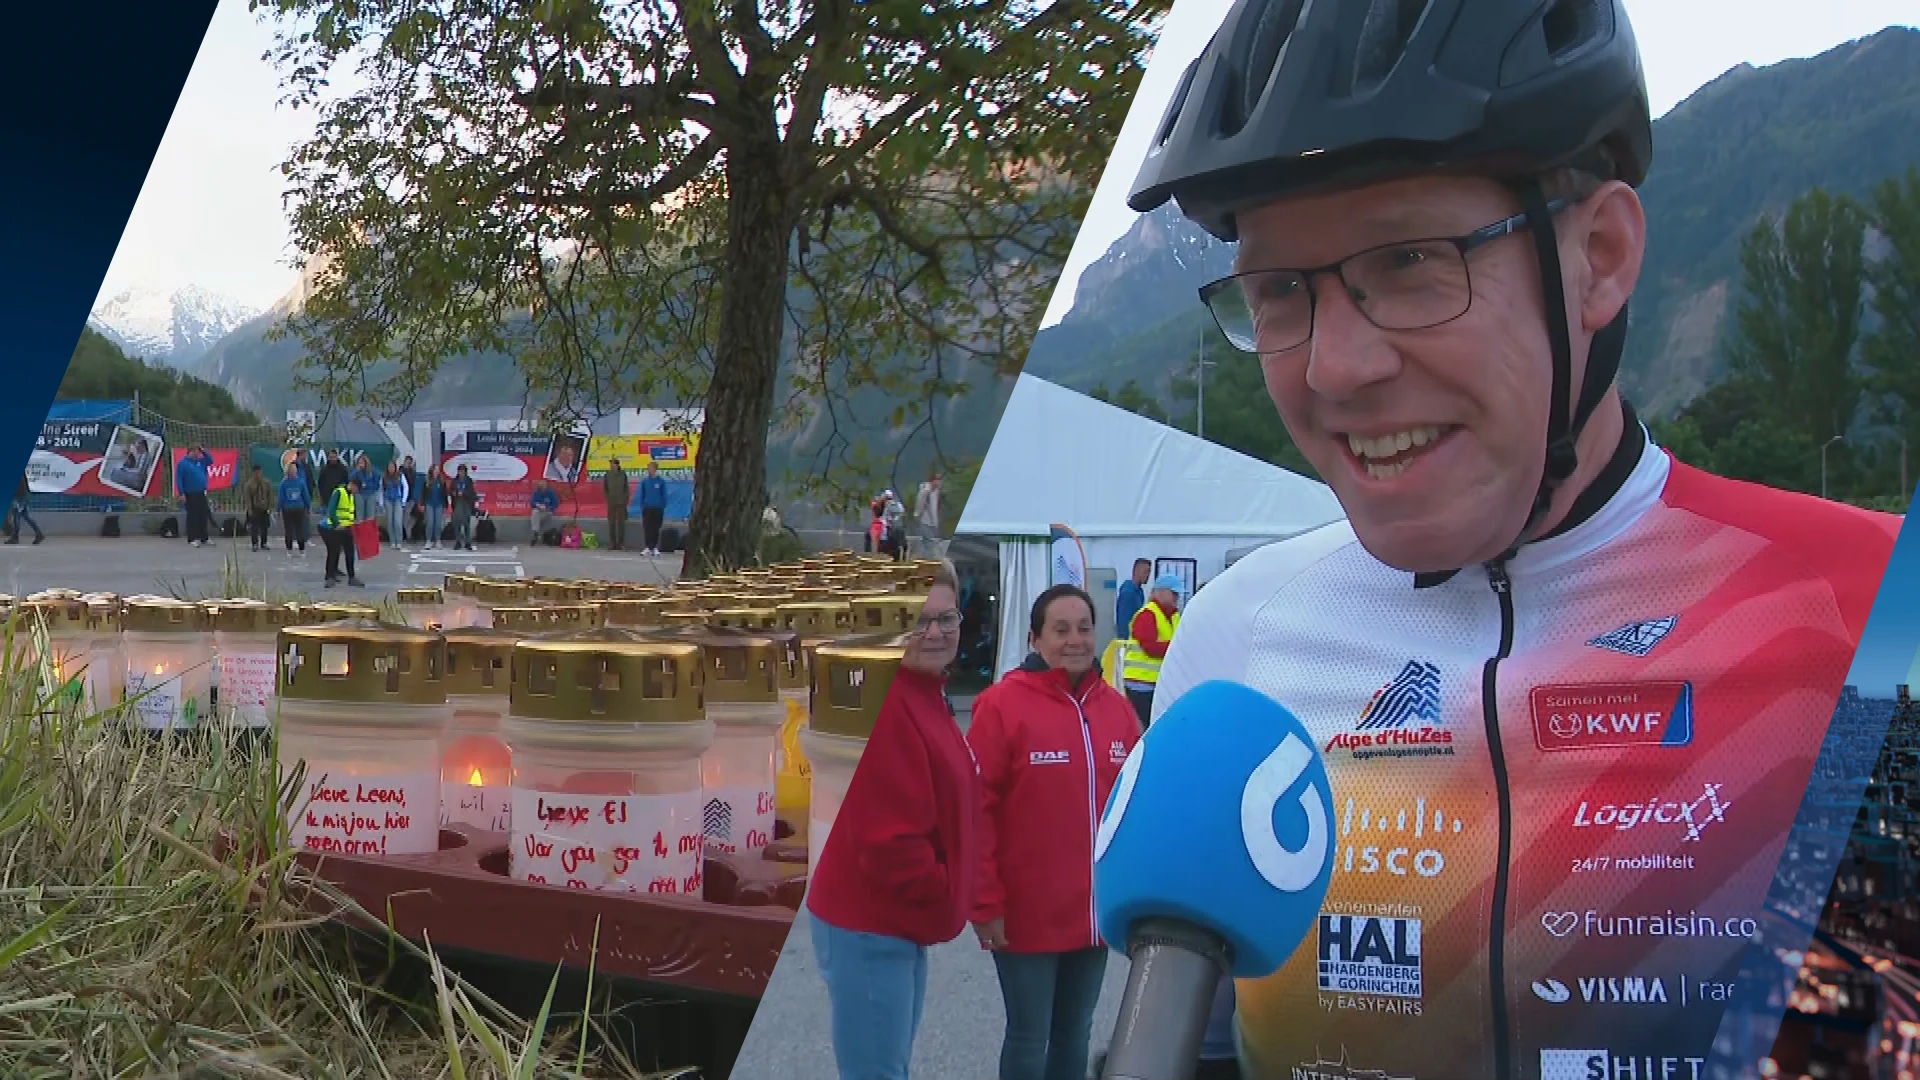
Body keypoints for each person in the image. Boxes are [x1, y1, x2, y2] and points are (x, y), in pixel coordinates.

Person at [1130, 2, 1903, 1077]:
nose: (1333, 366)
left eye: (1406, 261)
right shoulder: (1232, 648)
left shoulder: (1874, 618)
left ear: (1600, 256)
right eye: (1279, 292)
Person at [805, 562, 978, 1080]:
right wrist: (946, 891)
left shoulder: (924, 693)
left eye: (946, 619)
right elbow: (890, 841)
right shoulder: (891, 704)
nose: (934, 634)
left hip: (892, 924)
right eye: (917, 622)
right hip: (872, 924)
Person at [967, 584, 1140, 1080]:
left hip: (1093, 912)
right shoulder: (1000, 706)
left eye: (1084, 628)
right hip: (1026, 913)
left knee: (1076, 1034)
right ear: (1035, 639)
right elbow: (974, 809)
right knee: (1028, 1035)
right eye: (1060, 630)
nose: (1075, 641)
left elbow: (1134, 805)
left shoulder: (1117, 710)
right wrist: (984, 902)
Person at [1120, 574, 1181, 730]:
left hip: (1158, 683)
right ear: (1159, 592)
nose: (1177, 597)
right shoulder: (1147, 615)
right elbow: (1150, 647)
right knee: (1146, 728)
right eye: (1173, 593)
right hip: (1140, 683)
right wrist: (1176, 647)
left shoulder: (1174, 616)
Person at [318, 476, 365, 588]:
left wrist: (354, 521)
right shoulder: (339, 492)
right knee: (334, 552)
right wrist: (336, 524)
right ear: (352, 485)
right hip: (336, 528)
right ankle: (330, 577)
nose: (356, 492)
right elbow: (331, 510)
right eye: (356, 489)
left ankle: (352, 577)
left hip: (348, 528)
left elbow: (350, 512)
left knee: (350, 553)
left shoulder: (351, 496)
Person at [175, 444, 215, 548]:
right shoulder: (183, 463)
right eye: (195, 451)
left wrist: (203, 450)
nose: (197, 454)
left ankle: (204, 537)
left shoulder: (200, 461)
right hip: (190, 493)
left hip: (201, 492)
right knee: (193, 516)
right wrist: (181, 493)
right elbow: (179, 479)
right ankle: (192, 538)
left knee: (203, 515)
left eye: (198, 451)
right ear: (190, 452)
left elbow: (210, 460)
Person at [278, 461, 311, 555]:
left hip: (287, 509)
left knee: (289, 529)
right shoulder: (301, 482)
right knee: (299, 528)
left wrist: (278, 508)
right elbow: (306, 496)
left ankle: (289, 549)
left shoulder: (284, 483)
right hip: (299, 508)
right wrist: (308, 507)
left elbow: (281, 497)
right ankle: (302, 549)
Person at [1114, 559, 1149, 641]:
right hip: (1128, 640)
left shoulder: (1139, 592)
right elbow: (1123, 620)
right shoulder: (1128, 592)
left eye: (1149, 572)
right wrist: (1124, 642)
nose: (1148, 575)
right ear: (1136, 571)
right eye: (1145, 571)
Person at [637, 461, 668, 556]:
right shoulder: (645, 481)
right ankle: (648, 547)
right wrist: (643, 505)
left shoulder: (661, 481)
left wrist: (662, 505)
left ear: (655, 469)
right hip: (647, 508)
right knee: (647, 528)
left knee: (656, 528)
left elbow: (664, 494)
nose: (650, 470)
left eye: (651, 468)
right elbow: (642, 494)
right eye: (648, 468)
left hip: (658, 508)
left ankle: (654, 547)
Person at [242, 465, 275, 551]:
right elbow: (247, 498)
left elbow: (270, 495)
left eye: (259, 472)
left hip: (264, 508)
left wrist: (270, 507)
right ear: (253, 473)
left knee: (265, 527)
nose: (258, 474)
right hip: (254, 508)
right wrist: (249, 510)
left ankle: (263, 543)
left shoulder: (266, 483)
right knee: (254, 527)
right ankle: (255, 543)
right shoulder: (249, 485)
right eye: (256, 472)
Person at [603, 458, 632, 551]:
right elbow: (605, 488)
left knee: (621, 524)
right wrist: (608, 498)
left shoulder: (623, 475)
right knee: (611, 523)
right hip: (611, 502)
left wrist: (625, 500)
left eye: (613, 464)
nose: (611, 466)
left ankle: (621, 543)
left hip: (621, 503)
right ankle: (612, 543)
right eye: (610, 464)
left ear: (617, 465)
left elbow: (626, 489)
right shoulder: (607, 475)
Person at [6, 474, 42, 546]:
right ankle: (39, 534)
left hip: (19, 496)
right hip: (22, 496)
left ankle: (15, 537)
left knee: (17, 516)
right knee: (25, 516)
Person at [382, 460, 411, 549]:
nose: (391, 469)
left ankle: (399, 541)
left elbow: (406, 487)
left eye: (392, 467)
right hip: (388, 500)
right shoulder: (384, 477)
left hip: (398, 500)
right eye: (389, 467)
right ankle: (392, 541)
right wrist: (381, 502)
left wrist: (404, 500)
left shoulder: (400, 476)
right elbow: (381, 489)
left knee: (397, 521)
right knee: (390, 522)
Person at [420, 464, 450, 549]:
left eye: (438, 469)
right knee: (430, 523)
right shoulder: (427, 481)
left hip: (439, 504)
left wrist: (446, 505)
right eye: (436, 469)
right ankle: (428, 540)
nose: (437, 471)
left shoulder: (441, 481)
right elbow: (423, 493)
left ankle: (438, 541)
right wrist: (422, 504)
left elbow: (445, 494)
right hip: (429, 504)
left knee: (438, 524)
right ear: (432, 470)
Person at [449, 464, 478, 551]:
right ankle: (458, 541)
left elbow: (472, 493)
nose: (461, 473)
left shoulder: (469, 481)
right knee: (456, 523)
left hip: (466, 503)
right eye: (460, 471)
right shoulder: (454, 481)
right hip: (457, 503)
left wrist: (464, 493)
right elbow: (450, 491)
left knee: (466, 523)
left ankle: (467, 542)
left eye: (463, 471)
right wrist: (454, 493)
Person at [913, 472, 942, 553]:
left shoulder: (936, 492)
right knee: (928, 541)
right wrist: (917, 515)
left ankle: (925, 557)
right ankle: (929, 559)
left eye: (939, 480)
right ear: (932, 481)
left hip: (933, 522)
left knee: (927, 541)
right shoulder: (925, 491)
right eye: (937, 480)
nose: (939, 482)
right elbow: (920, 504)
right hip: (924, 520)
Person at [528, 480, 560, 545]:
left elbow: (556, 503)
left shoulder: (550, 492)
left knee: (537, 517)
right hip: (539, 510)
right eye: (541, 488)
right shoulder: (536, 492)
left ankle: (536, 533)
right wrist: (537, 505)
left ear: (546, 487)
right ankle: (536, 533)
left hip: (548, 511)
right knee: (535, 513)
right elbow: (532, 502)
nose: (542, 490)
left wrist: (548, 508)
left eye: (543, 488)